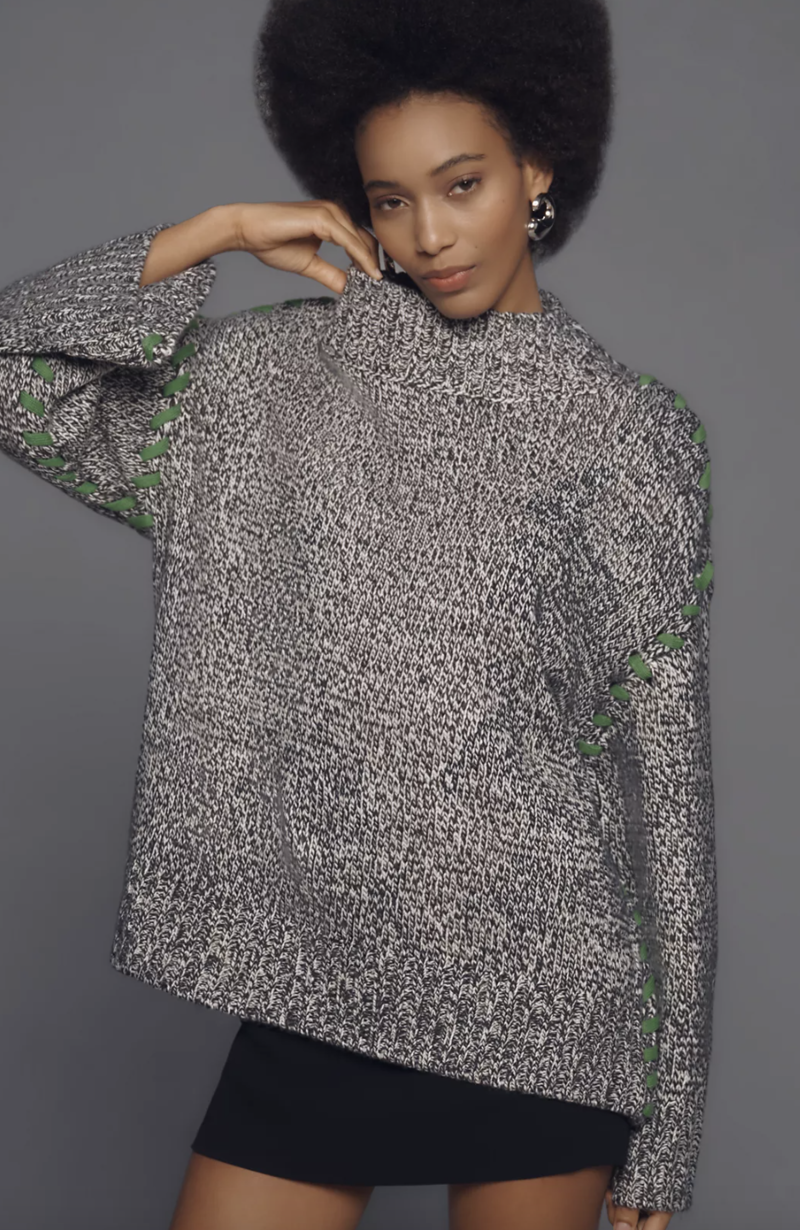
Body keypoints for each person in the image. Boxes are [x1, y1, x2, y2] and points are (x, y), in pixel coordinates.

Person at [0, 0, 718, 1228]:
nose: (428, 234)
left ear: (537, 168)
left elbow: (666, 789)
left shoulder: (629, 436)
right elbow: (14, 370)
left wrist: (672, 1126)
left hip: (543, 1001)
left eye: (461, 184)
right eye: (391, 200)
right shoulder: (259, 384)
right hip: (314, 985)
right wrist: (217, 231)